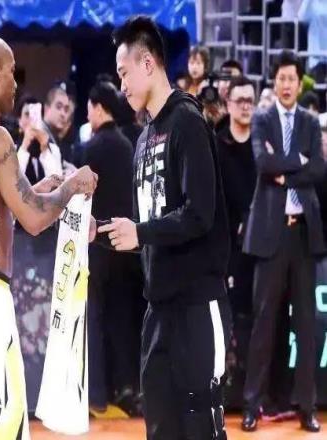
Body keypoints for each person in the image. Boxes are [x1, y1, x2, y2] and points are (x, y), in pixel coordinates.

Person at [0, 35, 97, 439]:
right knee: (1, 428)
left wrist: (40, 188)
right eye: (12, 73)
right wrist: (73, 186)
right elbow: (34, 218)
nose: (15, 84)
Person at [98, 16, 231, 439]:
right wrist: (96, 232)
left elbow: (199, 214)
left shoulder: (187, 121)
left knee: (201, 428)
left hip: (196, 306)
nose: (121, 85)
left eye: (124, 73)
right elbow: (147, 228)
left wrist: (140, 232)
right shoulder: (143, 139)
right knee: (160, 430)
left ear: (148, 64)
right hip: (157, 311)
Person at [242, 51, 325, 433]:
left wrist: (285, 169)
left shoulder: (309, 120)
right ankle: (252, 405)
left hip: (303, 233)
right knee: (263, 324)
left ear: (299, 82)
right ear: (274, 82)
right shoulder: (261, 119)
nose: (287, 85)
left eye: (292, 78)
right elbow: (263, 163)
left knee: (305, 325)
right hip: (270, 234)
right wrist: (298, 162)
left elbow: (318, 168)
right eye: (281, 79)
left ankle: (307, 407)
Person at [83, 80, 142, 415]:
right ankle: (127, 388)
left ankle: (96, 394)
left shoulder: (89, 149)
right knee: (123, 320)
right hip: (126, 247)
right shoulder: (127, 145)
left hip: (97, 248)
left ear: (98, 108)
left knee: (95, 318)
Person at [216, 76, 257, 317]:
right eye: (240, 100)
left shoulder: (264, 145)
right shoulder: (216, 145)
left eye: (250, 101)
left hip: (262, 246)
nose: (245, 106)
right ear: (228, 104)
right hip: (228, 247)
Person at [16, 95, 62, 185]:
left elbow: (58, 183)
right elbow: (13, 181)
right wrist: (25, 145)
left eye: (35, 114)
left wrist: (45, 150)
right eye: (27, 114)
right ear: (19, 120)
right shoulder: (11, 149)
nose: (31, 119)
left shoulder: (53, 149)